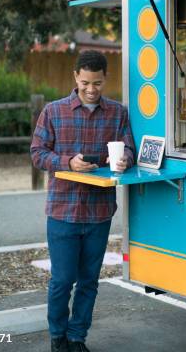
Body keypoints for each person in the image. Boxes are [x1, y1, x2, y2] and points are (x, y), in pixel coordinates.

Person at [31, 50, 135, 352]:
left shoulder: (118, 113)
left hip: (99, 212)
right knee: (62, 280)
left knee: (89, 282)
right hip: (63, 211)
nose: (92, 89)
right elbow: (37, 153)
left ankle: (77, 339)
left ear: (105, 80)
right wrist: (67, 162)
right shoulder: (53, 111)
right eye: (86, 82)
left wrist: (124, 160)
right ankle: (58, 337)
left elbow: (129, 149)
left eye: (98, 84)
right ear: (76, 76)